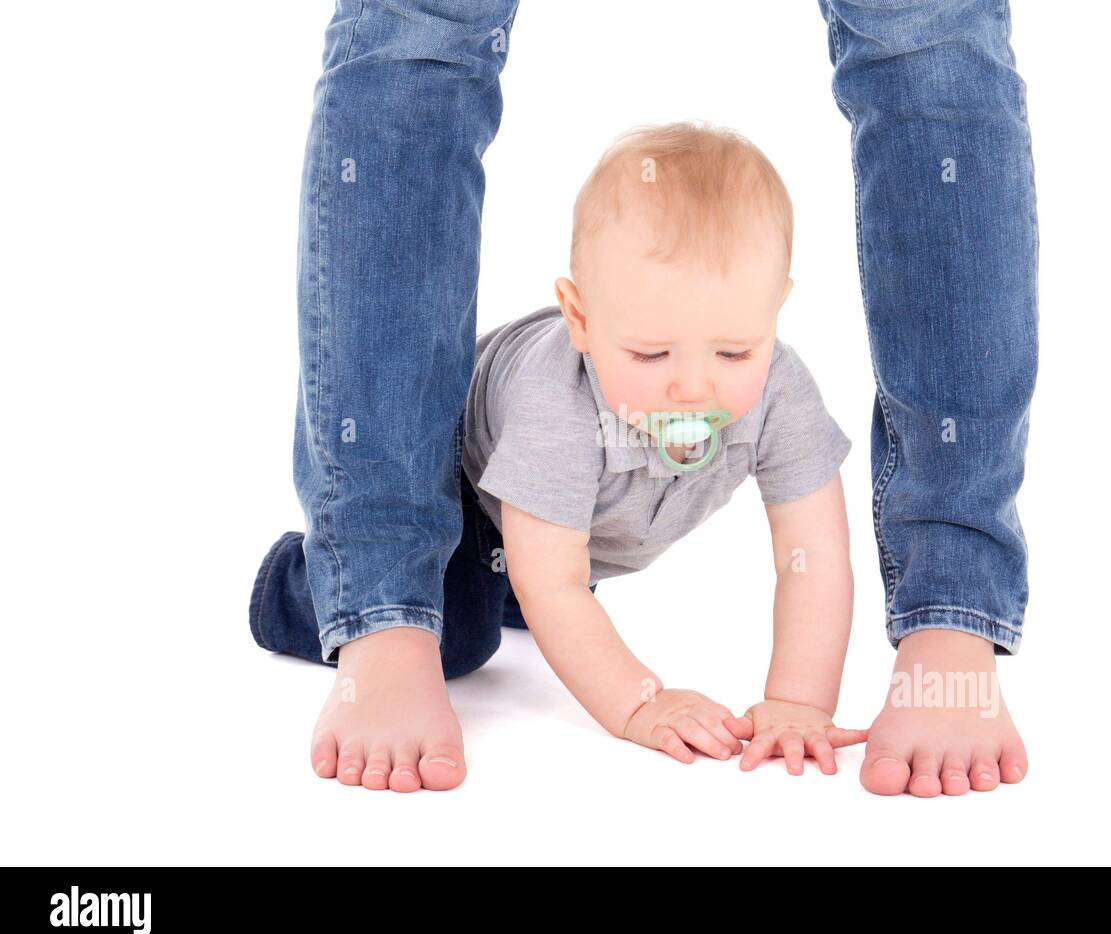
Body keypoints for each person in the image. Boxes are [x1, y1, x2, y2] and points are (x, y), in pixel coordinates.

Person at [254, 0, 1036, 797]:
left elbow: (813, 558)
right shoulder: (556, 415)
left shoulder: (781, 391)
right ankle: (337, 585)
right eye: (651, 352)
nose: (692, 386)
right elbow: (552, 579)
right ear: (582, 321)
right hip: (487, 493)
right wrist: (641, 704)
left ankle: (954, 617)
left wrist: (796, 705)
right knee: (469, 626)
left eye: (733, 350)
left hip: (574, 525)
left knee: (928, 25)